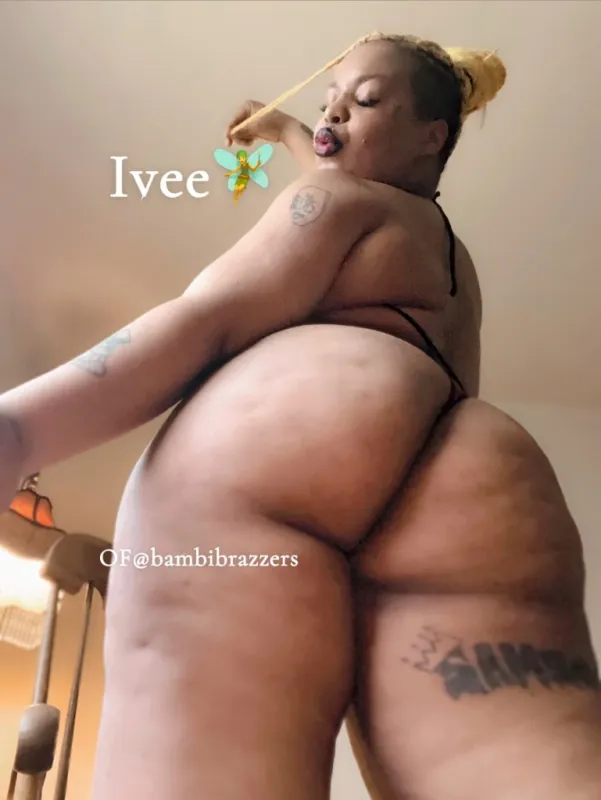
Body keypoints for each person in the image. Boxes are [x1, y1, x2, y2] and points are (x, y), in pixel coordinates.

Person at [0, 32, 599, 800]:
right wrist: (286, 129)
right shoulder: (450, 264)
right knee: (518, 761)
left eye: (366, 100)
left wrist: (20, 430)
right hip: (474, 468)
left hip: (285, 447)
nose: (335, 113)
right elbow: (335, 164)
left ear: (432, 137)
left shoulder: (339, 202)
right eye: (328, 102)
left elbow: (207, 320)